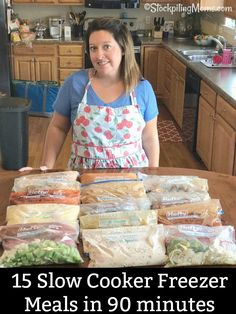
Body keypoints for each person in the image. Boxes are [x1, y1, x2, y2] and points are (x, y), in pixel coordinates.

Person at [22, 17, 160, 171]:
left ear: (123, 49)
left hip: (132, 180)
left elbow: (149, 137)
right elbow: (58, 127)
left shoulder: (142, 89)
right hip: (84, 177)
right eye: (93, 48)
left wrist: (153, 174)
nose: (99, 55)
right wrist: (46, 168)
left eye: (106, 46)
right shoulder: (74, 84)